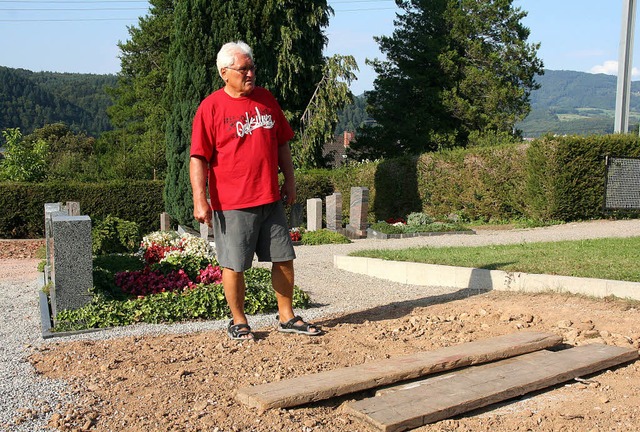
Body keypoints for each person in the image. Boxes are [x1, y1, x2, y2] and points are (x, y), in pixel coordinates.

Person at [189, 41, 322, 340]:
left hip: (269, 197)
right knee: (234, 264)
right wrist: (200, 198)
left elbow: (282, 143)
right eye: (243, 69)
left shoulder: (265, 99)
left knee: (284, 257)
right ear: (225, 73)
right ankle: (238, 320)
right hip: (232, 202)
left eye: (252, 68)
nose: (250, 74)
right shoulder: (210, 108)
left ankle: (287, 317)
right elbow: (198, 157)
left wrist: (290, 180)